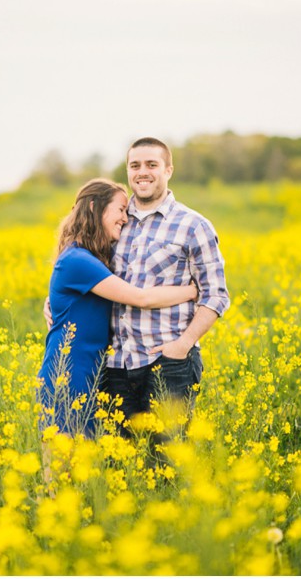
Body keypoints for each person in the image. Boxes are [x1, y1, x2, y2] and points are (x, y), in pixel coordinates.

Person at [38, 178, 198, 437]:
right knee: (62, 471)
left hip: (92, 378)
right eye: (121, 210)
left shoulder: (89, 257)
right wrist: (193, 291)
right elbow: (141, 298)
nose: (125, 218)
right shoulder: (78, 259)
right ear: (94, 207)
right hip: (68, 377)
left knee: (84, 471)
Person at [100, 137, 230, 429]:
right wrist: (55, 302)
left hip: (168, 364)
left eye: (151, 165)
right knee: (122, 466)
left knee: (167, 463)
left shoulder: (194, 225)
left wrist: (182, 345)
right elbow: (85, 272)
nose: (142, 172)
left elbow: (216, 295)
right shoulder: (113, 222)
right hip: (116, 366)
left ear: (168, 170)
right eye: (135, 165)